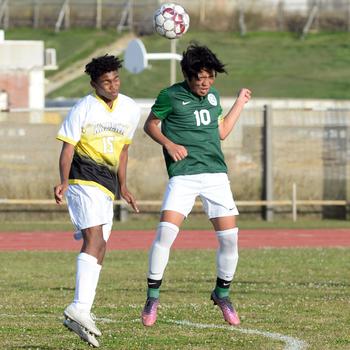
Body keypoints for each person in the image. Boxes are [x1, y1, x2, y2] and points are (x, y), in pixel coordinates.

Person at [141, 43, 251, 327]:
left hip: (215, 175)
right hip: (184, 175)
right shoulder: (170, 96)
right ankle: (153, 297)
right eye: (199, 77)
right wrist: (169, 143)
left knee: (230, 240)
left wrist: (239, 102)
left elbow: (223, 131)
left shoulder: (213, 97)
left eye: (209, 77)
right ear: (188, 76)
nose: (205, 83)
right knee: (166, 233)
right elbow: (150, 125)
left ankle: (222, 294)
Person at [54, 54, 140, 347]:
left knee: (101, 246)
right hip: (82, 177)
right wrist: (64, 181)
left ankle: (81, 312)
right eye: (106, 82)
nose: (113, 85)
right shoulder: (83, 107)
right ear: (95, 84)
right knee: (94, 239)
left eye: (116, 79)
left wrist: (124, 186)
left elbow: (124, 151)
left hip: (107, 183)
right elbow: (68, 147)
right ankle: (78, 307)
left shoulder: (130, 108)